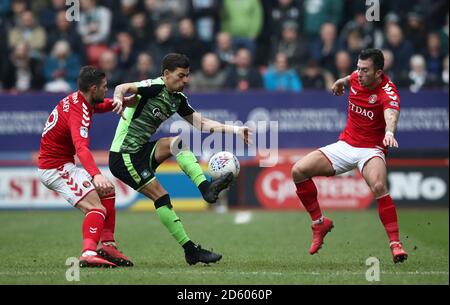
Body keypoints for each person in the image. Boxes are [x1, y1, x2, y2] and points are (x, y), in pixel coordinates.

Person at [110, 53, 251, 265]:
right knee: (162, 197)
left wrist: (236, 130)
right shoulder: (154, 87)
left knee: (178, 143)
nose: (186, 80)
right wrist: (118, 99)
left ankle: (206, 189)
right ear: (166, 74)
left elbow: (201, 124)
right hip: (124, 156)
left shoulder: (177, 99)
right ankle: (190, 250)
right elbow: (122, 87)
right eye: (181, 75)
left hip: (140, 150)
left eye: (187, 76)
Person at [291, 49, 408, 264]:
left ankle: (395, 244)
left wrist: (390, 132)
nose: (359, 73)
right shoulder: (355, 77)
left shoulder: (387, 92)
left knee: (379, 187)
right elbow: (349, 78)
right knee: (298, 171)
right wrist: (340, 81)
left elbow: (391, 114)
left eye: (365, 70)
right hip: (346, 144)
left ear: (379, 73)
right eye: (358, 68)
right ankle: (319, 223)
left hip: (371, 149)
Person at [38, 66, 134, 268]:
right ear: (93, 88)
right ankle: (88, 253)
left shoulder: (80, 99)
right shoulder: (79, 112)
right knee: (96, 208)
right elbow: (81, 148)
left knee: (107, 191)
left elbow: (97, 106)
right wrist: (96, 174)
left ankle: (107, 244)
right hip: (56, 168)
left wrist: (120, 103)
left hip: (61, 164)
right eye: (105, 88)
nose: (106, 91)